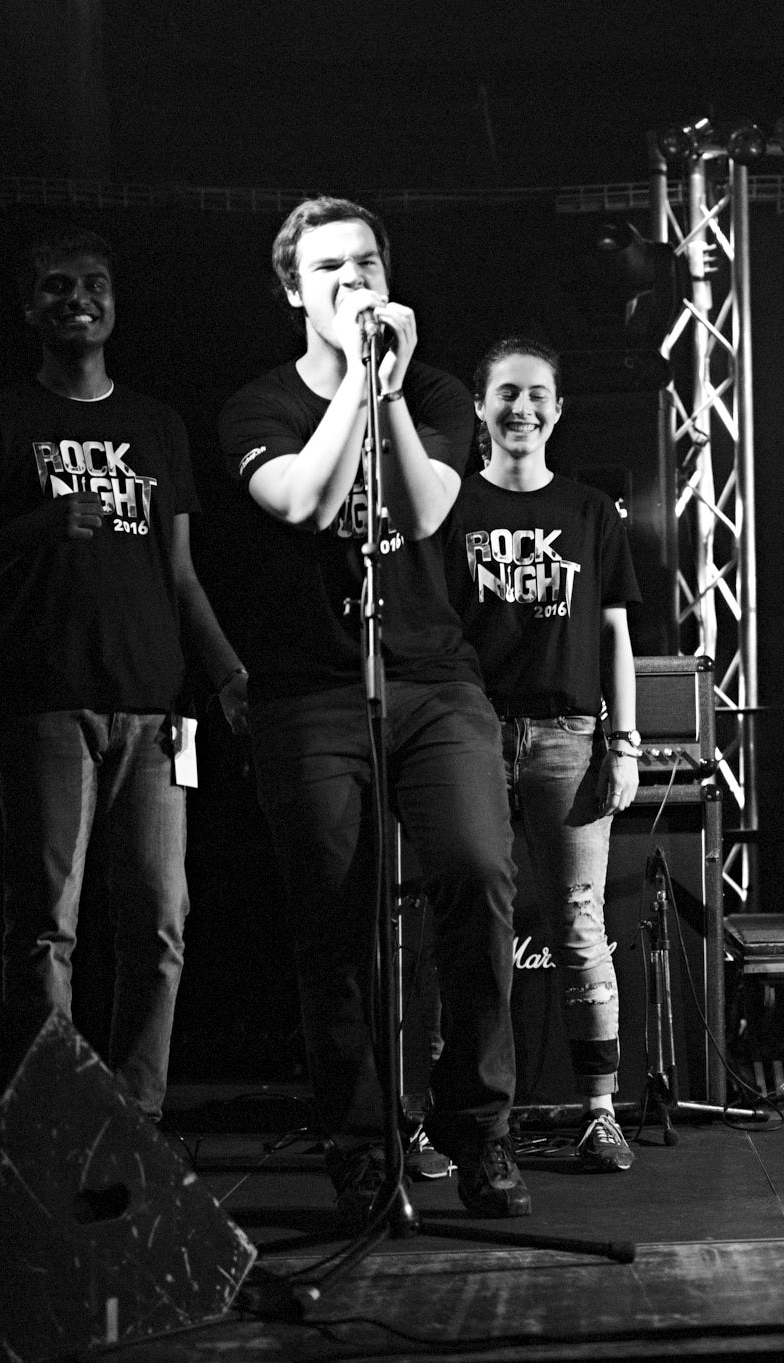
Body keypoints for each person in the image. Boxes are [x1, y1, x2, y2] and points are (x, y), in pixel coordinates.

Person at [217, 196, 527, 1222]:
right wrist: (356, 379)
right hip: (309, 690)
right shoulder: (258, 405)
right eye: (328, 270)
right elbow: (306, 500)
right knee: (333, 919)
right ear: (292, 292)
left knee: (477, 873)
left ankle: (478, 1127)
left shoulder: (433, 390)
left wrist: (386, 386)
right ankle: (359, 1143)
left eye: (366, 265)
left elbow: (427, 507)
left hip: (432, 679)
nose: (352, 283)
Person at [0, 228, 247, 1123]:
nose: (78, 299)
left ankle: (136, 1115)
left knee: (161, 922)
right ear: (29, 309)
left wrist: (227, 673)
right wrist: (39, 524)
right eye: (57, 287)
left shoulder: (156, 425)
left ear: (114, 302)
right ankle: (51, 1115)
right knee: (45, 925)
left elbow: (181, 574)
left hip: (153, 709)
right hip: (44, 703)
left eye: (94, 284)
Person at [445, 338, 641, 1172]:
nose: (521, 408)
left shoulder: (591, 511)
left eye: (536, 395)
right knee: (463, 923)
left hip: (570, 736)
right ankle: (453, 1116)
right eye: (505, 393)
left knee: (578, 921)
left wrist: (624, 743)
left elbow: (617, 634)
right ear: (480, 408)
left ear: (558, 410)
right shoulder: (449, 504)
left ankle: (600, 1111)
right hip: (470, 734)